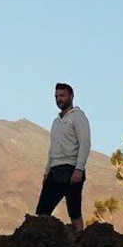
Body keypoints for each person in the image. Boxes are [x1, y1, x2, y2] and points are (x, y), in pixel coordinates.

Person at [35, 82, 91, 232]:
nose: (59, 99)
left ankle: (81, 242)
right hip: (55, 171)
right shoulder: (56, 122)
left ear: (71, 96)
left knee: (74, 211)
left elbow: (85, 144)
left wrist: (79, 168)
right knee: (42, 211)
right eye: (56, 96)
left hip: (72, 170)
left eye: (62, 95)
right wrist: (47, 172)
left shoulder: (78, 118)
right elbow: (53, 149)